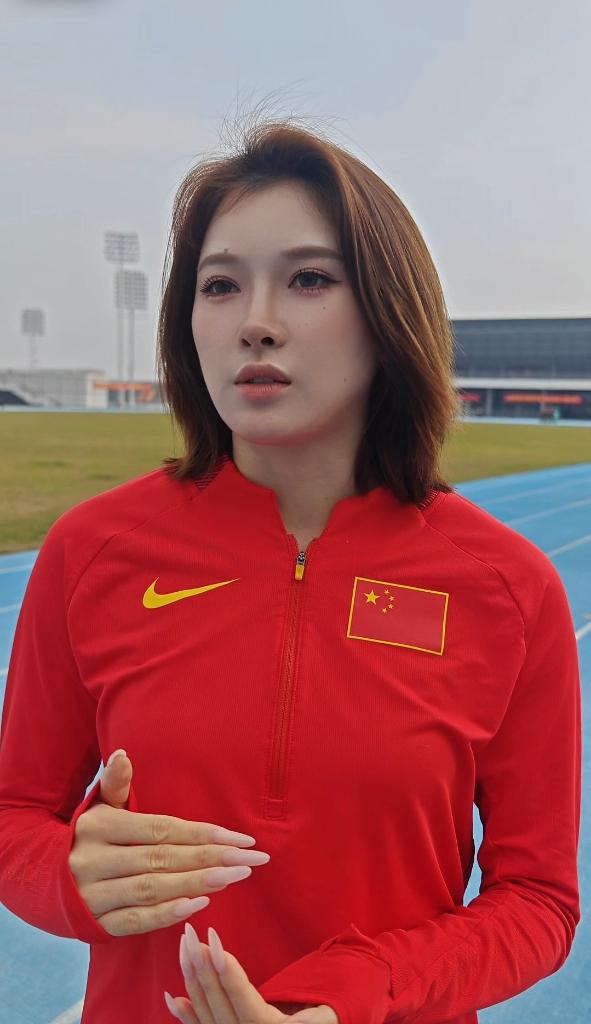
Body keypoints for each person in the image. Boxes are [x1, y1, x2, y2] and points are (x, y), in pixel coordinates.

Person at [0, 115, 582, 1024]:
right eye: (220, 285)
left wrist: (359, 989)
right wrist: (68, 876)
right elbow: (14, 819)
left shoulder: (507, 588)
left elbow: (538, 902)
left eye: (309, 279)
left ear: (387, 310)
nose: (255, 323)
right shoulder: (93, 552)